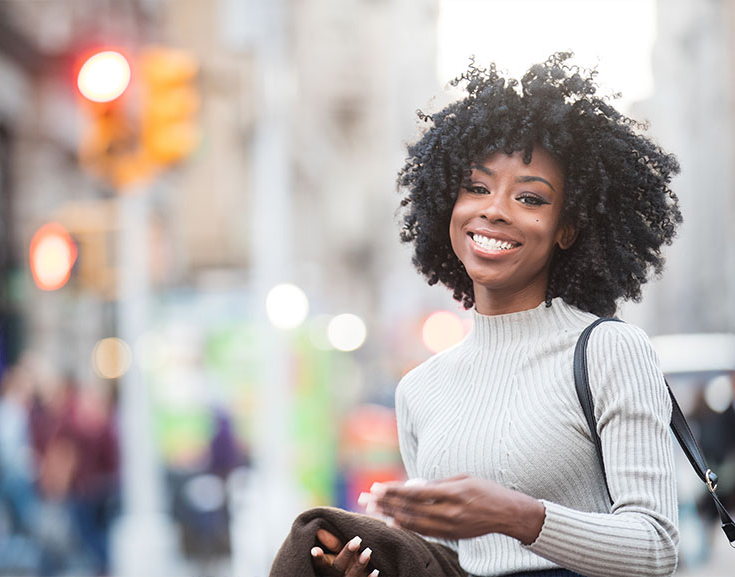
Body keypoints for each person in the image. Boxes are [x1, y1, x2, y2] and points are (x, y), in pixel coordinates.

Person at [270, 52, 683, 577]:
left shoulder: (607, 350)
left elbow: (656, 549)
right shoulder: (420, 390)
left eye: (530, 197)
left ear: (567, 229)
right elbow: (444, 564)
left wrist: (517, 515)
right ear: (447, 200)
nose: (494, 209)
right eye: (477, 187)